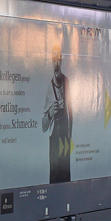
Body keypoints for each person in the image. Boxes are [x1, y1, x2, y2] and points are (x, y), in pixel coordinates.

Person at [42, 43, 72, 183]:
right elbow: (43, 126)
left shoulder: (67, 82)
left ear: (61, 60)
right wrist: (50, 113)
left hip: (64, 136)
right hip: (54, 137)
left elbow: (71, 112)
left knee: (65, 173)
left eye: (58, 58)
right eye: (54, 58)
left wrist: (69, 137)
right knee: (55, 174)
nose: (56, 62)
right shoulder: (49, 87)